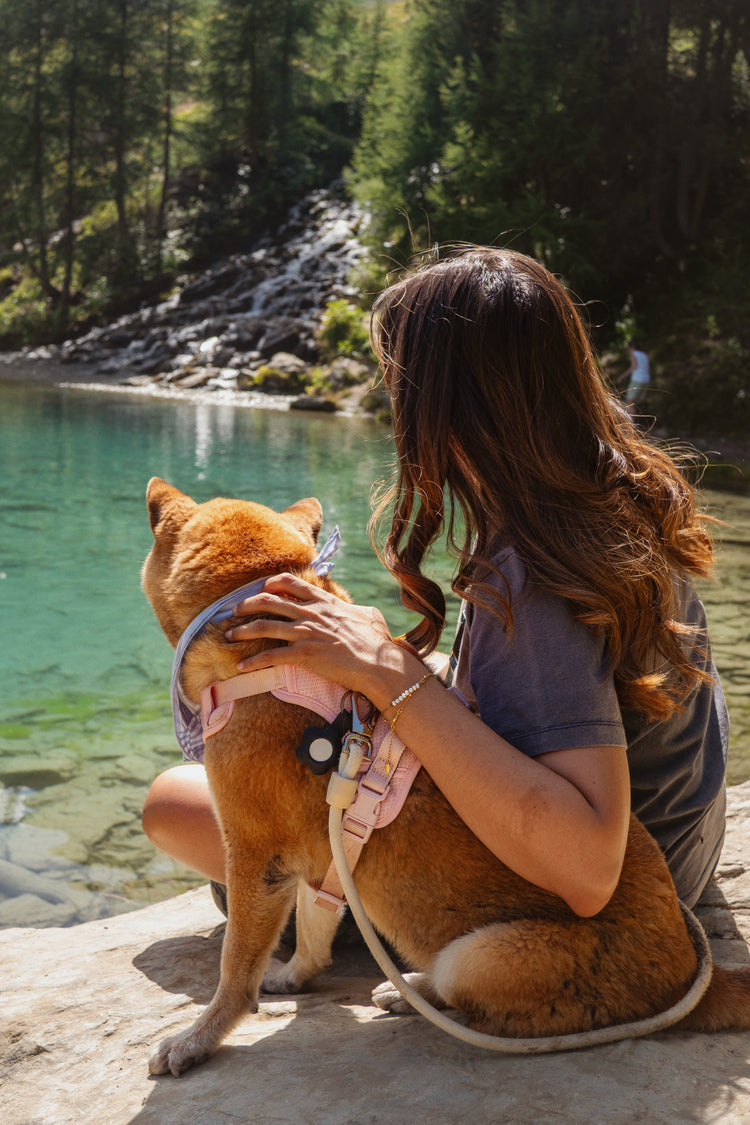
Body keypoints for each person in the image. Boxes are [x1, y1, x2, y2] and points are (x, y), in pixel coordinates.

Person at [142, 247, 728, 918]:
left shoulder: (535, 572)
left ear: (446, 405)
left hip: (598, 911)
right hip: (685, 848)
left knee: (175, 805)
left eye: (399, 387)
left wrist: (390, 673)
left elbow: (590, 868)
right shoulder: (606, 493)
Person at [619, 341, 651, 414]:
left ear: (631, 348)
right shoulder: (644, 355)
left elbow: (634, 367)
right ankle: (636, 421)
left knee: (629, 401)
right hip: (646, 380)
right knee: (635, 403)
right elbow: (648, 369)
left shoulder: (634, 354)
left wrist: (622, 376)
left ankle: (631, 424)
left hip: (637, 379)